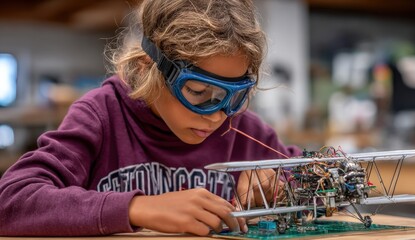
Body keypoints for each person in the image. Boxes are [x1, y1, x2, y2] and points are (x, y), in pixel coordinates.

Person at [0, 0, 301, 237]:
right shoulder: (101, 116)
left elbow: (312, 175)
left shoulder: (242, 127)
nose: (218, 116)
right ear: (148, 66)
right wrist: (137, 208)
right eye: (198, 92)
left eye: (234, 96)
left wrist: (281, 186)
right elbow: (11, 201)